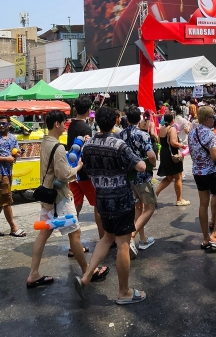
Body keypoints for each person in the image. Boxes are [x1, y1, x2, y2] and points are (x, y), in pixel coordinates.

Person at [72, 106, 147, 305]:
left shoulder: (88, 146)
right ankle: (124, 292)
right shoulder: (119, 144)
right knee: (122, 243)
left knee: (106, 238)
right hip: (121, 199)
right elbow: (141, 166)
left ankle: (87, 275)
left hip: (102, 199)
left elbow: (83, 167)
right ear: (114, 122)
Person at [27, 110, 102, 289]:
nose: (65, 126)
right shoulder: (58, 147)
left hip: (47, 196)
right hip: (59, 198)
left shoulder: (45, 142)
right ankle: (87, 270)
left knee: (43, 234)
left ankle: (33, 274)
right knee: (75, 233)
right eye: (63, 123)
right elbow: (65, 174)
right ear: (57, 124)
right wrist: (79, 167)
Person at [188, 105, 216, 253]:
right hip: (211, 172)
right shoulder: (209, 134)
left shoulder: (192, 132)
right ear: (207, 119)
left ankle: (206, 238)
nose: (214, 119)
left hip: (197, 172)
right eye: (213, 117)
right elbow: (215, 156)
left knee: (203, 204)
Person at [117, 106, 157, 257]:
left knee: (138, 208)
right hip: (142, 176)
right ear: (139, 118)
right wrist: (151, 165)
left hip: (129, 177)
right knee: (150, 207)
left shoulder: (121, 135)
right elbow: (151, 155)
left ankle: (144, 239)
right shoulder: (142, 135)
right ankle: (132, 236)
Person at [67, 96, 104, 243]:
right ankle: (103, 239)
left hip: (73, 171)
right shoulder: (85, 128)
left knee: (76, 206)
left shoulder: (72, 125)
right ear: (88, 110)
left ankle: (73, 244)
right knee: (97, 205)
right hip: (85, 173)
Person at [155, 113, 190, 206]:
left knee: (169, 177)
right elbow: (173, 142)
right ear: (172, 120)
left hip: (164, 153)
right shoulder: (172, 129)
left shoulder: (162, 129)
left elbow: (159, 141)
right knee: (178, 176)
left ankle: (154, 195)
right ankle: (179, 199)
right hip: (172, 154)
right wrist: (182, 145)